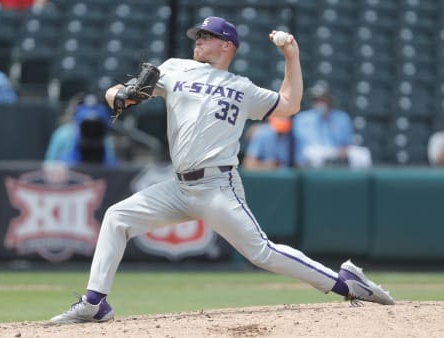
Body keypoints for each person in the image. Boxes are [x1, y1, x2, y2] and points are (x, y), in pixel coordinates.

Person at [50, 16, 394, 324]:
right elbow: (114, 92)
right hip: (179, 187)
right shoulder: (175, 68)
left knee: (262, 252)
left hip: (217, 186)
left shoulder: (242, 88)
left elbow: (290, 104)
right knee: (117, 217)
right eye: (197, 35)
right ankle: (95, 303)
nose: (198, 40)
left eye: (206, 35)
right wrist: (120, 94)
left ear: (226, 45)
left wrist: (292, 56)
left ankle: (345, 282)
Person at [45, 93, 119, 166]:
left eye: (96, 127)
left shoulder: (106, 139)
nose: (92, 130)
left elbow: (111, 166)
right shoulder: (62, 134)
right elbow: (50, 164)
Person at [292, 82, 355, 168]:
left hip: (336, 160)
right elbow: (300, 149)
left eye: (322, 99)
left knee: (361, 155)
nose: (319, 103)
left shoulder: (342, 118)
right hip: (310, 162)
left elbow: (347, 145)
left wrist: (339, 152)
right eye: (316, 100)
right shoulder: (301, 119)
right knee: (312, 154)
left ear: (329, 100)